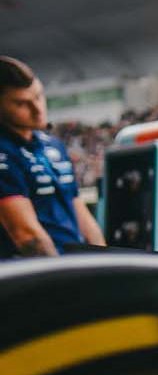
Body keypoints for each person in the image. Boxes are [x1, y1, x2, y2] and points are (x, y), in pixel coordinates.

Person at [0, 57, 102, 259]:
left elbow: (81, 214)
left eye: (39, 96)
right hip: (33, 277)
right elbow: (26, 236)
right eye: (22, 103)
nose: (37, 110)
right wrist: (61, 281)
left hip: (70, 266)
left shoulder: (53, 145)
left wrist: (106, 264)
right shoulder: (4, 154)